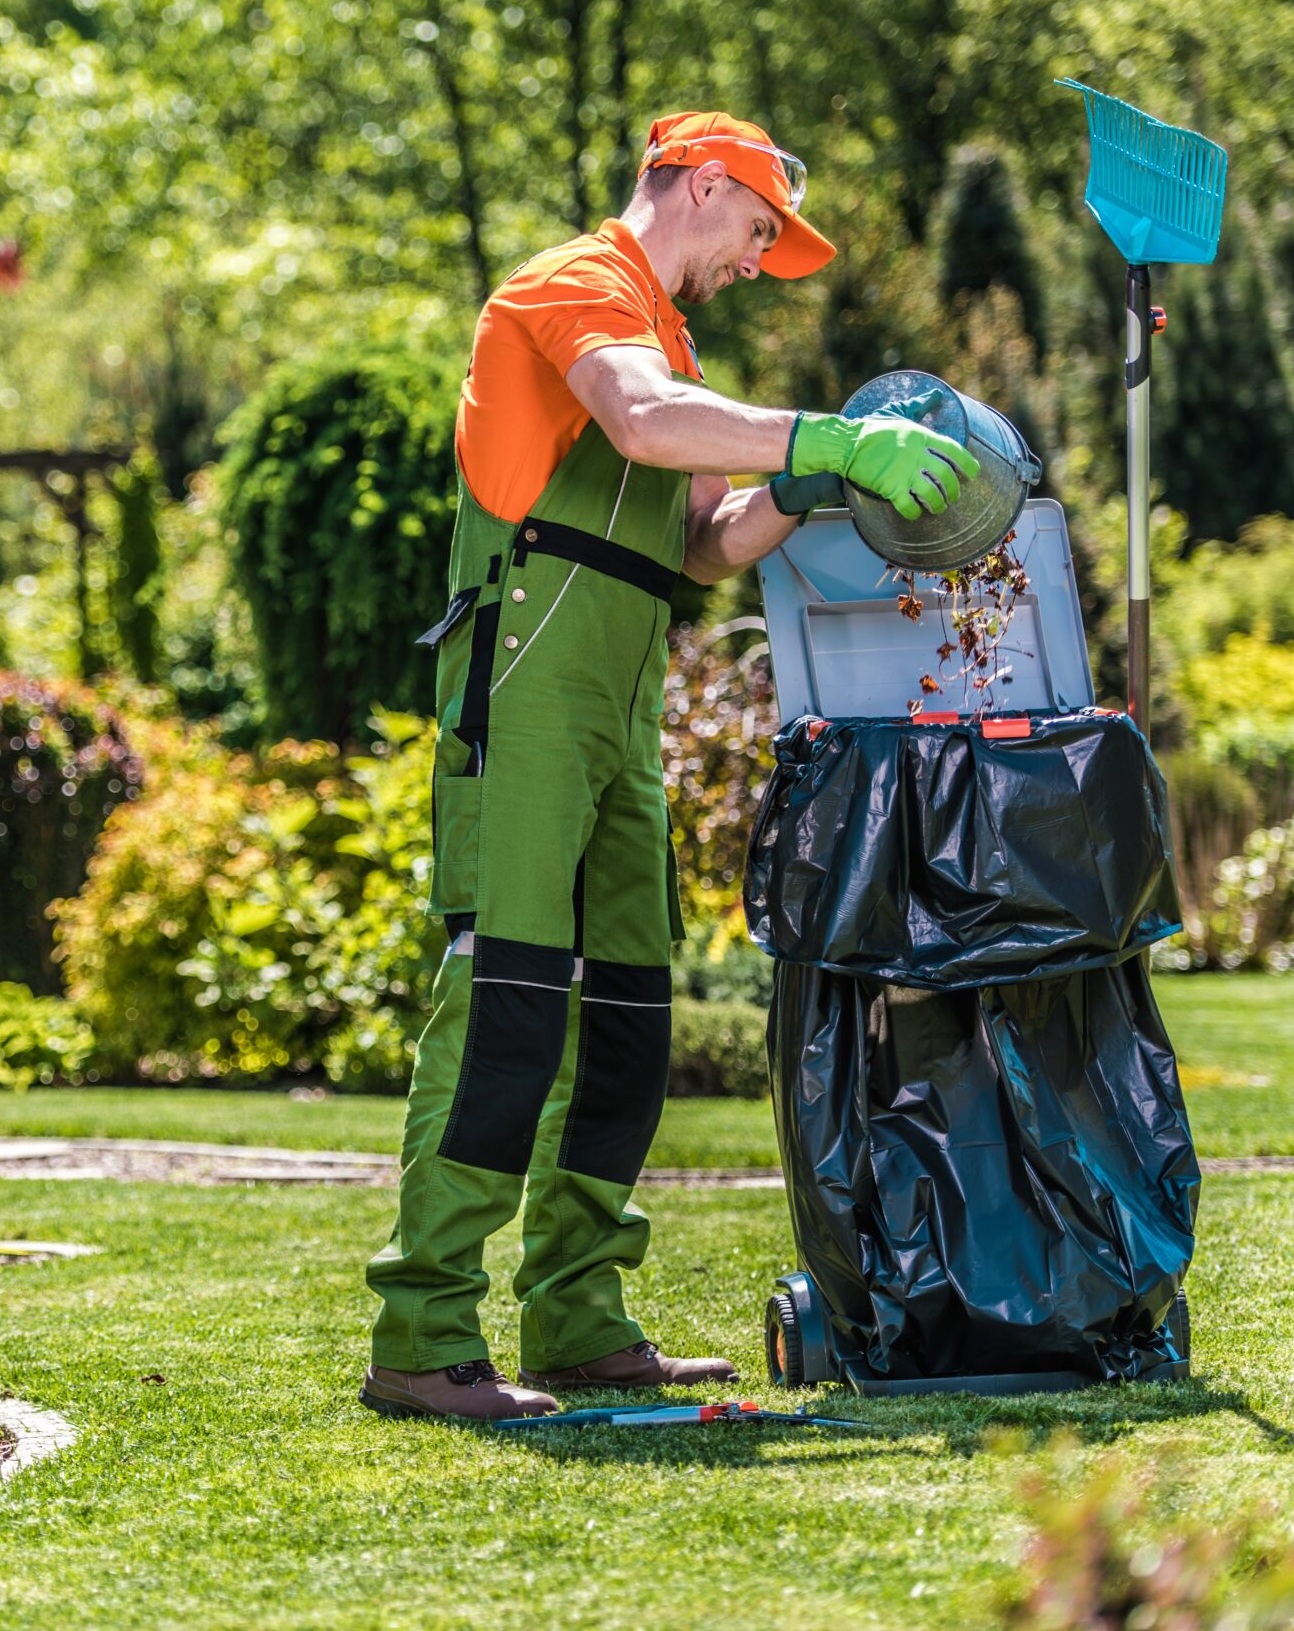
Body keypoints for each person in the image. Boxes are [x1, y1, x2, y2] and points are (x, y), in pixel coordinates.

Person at [360, 111, 981, 1422]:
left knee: (630, 1023)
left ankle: (579, 1316)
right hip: (529, 674)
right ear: (701, 185)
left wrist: (809, 489)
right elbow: (641, 425)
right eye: (757, 232)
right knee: (508, 1004)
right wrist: (822, 436)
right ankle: (422, 1336)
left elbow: (704, 544)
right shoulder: (577, 288)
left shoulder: (671, 337)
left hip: (622, 696)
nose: (758, 262)